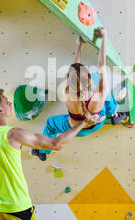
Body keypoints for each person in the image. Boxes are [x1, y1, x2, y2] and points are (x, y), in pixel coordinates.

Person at [0, 88, 102, 220]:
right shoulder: (13, 134)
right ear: (0, 109)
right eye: (7, 102)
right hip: (17, 211)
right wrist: (83, 123)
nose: (10, 103)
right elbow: (56, 144)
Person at [32, 27, 128, 161]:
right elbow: (101, 65)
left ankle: (43, 151)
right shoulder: (100, 93)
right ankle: (114, 114)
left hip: (78, 130)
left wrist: (78, 46)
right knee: (106, 91)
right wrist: (104, 37)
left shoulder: (65, 92)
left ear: (69, 82)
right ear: (88, 80)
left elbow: (75, 67)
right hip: (97, 123)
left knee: (50, 124)